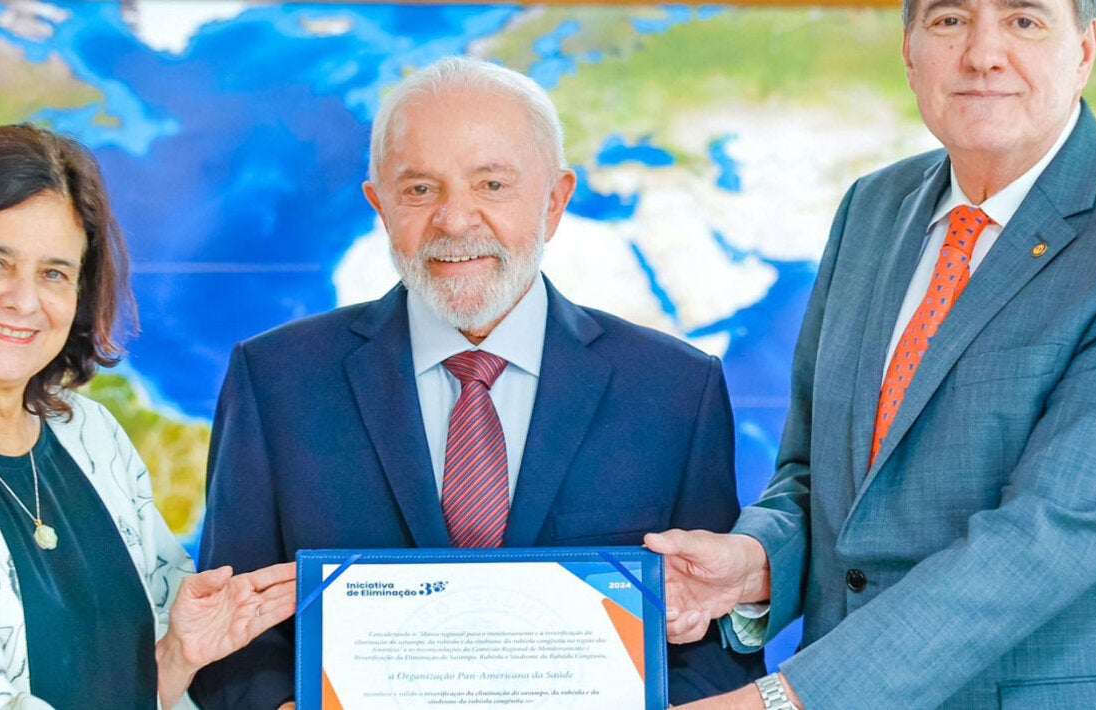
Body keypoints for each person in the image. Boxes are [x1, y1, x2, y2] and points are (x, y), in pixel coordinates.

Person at [645, 0, 1096, 707]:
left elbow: (1046, 538)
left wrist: (788, 700)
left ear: (1083, 50)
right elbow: (817, 476)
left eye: (1024, 21)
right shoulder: (873, 208)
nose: (983, 54)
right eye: (950, 20)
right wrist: (755, 564)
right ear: (909, 50)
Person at [190, 56, 765, 708]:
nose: (456, 221)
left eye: (492, 185)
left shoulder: (674, 390)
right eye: (419, 190)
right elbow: (228, 634)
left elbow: (715, 647)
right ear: (379, 206)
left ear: (554, 201)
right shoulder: (277, 381)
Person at [0, 124, 296, 708]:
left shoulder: (88, 432)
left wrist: (178, 654)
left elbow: (141, 691)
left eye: (54, 273)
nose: (25, 300)